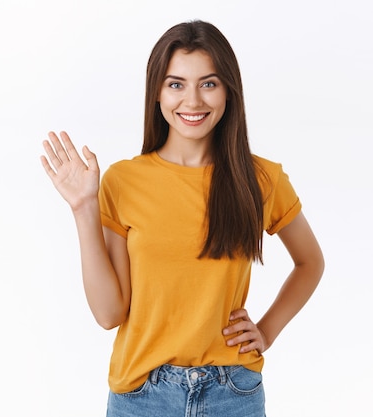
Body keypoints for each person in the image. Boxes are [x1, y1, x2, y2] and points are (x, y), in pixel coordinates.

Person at [40, 20, 324, 417]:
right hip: (142, 395)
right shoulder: (123, 181)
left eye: (208, 83)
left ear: (228, 91)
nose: (192, 101)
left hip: (232, 392)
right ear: (156, 92)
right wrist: (83, 209)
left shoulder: (260, 179)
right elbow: (108, 315)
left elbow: (310, 262)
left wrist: (267, 330)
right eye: (176, 84)